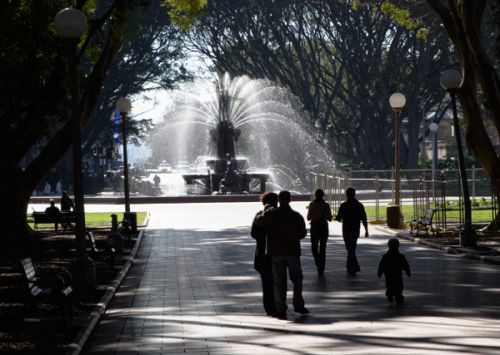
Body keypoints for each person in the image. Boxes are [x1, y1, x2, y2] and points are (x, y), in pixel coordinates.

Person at [257, 190, 308, 319]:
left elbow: (259, 221)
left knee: (279, 281)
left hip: (276, 252)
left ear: (279, 200)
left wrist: (266, 210)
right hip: (292, 251)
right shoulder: (296, 216)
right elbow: (302, 234)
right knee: (297, 280)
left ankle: (281, 308)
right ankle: (298, 304)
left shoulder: (272, 214)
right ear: (290, 200)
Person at [251, 192, 278, 316]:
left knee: (266, 283)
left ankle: (269, 307)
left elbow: (253, 234)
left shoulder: (258, 216)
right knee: (279, 281)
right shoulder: (281, 214)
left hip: (262, 255)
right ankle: (279, 305)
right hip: (278, 254)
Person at [335, 187, 369, 275]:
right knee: (352, 248)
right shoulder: (359, 205)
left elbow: (338, 219)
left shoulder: (344, 205)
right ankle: (354, 266)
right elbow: (364, 219)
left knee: (349, 249)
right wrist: (366, 230)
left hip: (346, 230)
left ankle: (352, 266)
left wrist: (335, 217)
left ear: (346, 195)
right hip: (355, 230)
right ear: (354, 194)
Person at [378, 238, 411, 304]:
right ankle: (396, 296)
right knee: (397, 285)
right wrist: (408, 272)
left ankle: (394, 295)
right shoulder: (400, 256)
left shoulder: (386, 256)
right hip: (396, 274)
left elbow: (381, 265)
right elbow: (405, 265)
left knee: (391, 285)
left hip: (389, 274)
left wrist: (380, 272)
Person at [307, 189, 332, 275]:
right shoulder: (326, 205)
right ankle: (321, 268)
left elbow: (308, 218)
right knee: (323, 248)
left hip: (314, 227)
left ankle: (318, 263)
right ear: (323, 195)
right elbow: (330, 218)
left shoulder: (312, 204)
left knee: (314, 247)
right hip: (324, 228)